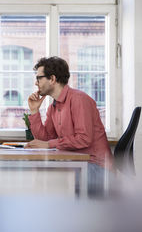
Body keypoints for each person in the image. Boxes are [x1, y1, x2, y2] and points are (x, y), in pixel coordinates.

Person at [26, 56, 113, 196]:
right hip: (78, 165)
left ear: (52, 79)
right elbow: (45, 139)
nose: (36, 83)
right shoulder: (53, 107)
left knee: (48, 179)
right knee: (40, 176)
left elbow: (83, 138)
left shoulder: (79, 99)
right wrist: (34, 111)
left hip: (97, 169)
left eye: (39, 78)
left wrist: (49, 144)